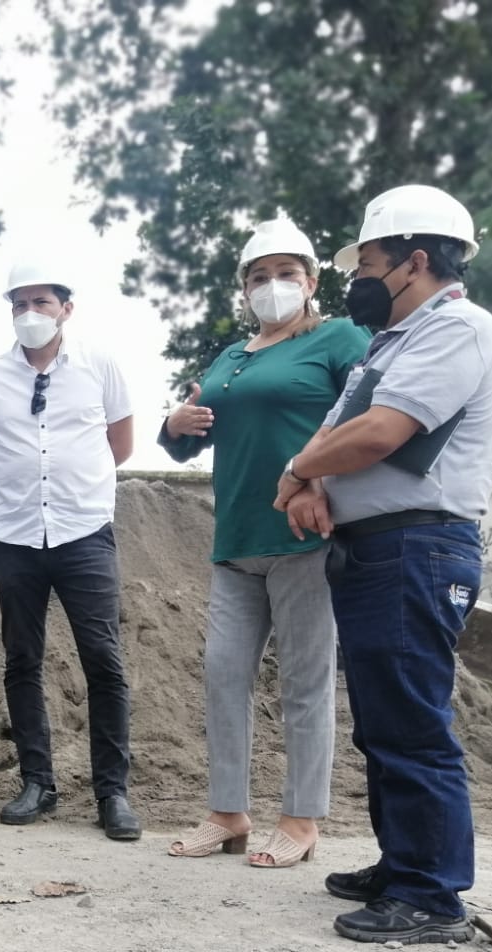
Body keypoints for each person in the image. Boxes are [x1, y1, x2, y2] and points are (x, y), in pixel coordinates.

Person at [274, 184, 492, 944]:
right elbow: (339, 429)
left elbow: (378, 433)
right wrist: (312, 478)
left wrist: (298, 469)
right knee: (382, 723)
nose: (359, 279)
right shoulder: (391, 343)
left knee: (411, 722)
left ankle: (432, 896)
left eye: (368, 263)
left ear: (415, 261)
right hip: (378, 547)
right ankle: (403, 863)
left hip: (419, 545)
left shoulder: (459, 329)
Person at [159, 220, 370, 867]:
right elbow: (189, 440)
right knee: (224, 677)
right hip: (236, 539)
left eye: (286, 274)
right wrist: (175, 424)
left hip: (306, 536)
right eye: (259, 276)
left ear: (311, 281)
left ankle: (301, 819)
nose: (271, 285)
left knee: (305, 683)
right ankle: (228, 813)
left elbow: (368, 414)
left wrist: (320, 480)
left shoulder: (339, 338)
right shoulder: (230, 359)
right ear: (244, 288)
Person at [0, 264, 139, 840]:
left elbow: (119, 444)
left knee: (103, 660)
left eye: (41, 302)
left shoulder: (100, 365)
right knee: (22, 660)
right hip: (15, 535)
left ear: (67, 307)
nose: (29, 313)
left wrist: (74, 485)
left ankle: (112, 793)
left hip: (84, 531)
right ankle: (36, 782)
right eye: (18, 304)